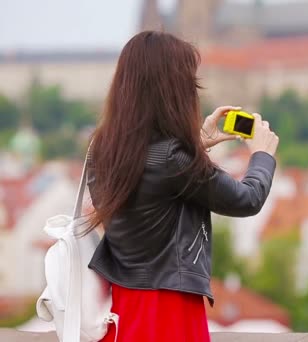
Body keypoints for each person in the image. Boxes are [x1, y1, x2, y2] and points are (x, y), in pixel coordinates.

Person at [86, 31, 279, 342]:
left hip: (124, 303)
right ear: (172, 91)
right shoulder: (174, 159)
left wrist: (197, 146)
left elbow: (148, 189)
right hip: (168, 307)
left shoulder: (103, 148)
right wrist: (262, 156)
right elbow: (247, 199)